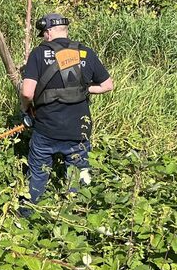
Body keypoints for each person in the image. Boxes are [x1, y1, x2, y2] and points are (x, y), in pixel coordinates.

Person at [19, 13, 113, 214]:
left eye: (43, 34)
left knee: (38, 175)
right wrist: (83, 89)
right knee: (78, 176)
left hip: (46, 129)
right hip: (79, 129)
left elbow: (27, 93)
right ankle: (78, 215)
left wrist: (25, 108)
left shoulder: (38, 54)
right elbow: (107, 85)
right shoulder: (86, 52)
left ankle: (25, 218)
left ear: (48, 32)